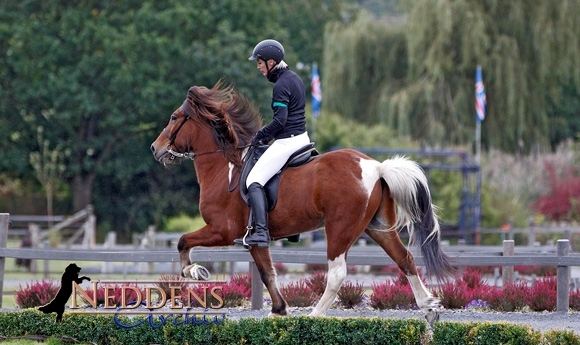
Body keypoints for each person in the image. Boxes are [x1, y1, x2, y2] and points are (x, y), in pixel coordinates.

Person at [234, 39, 310, 248]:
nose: (258, 67)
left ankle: (260, 232)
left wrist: (260, 136)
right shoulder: (294, 78)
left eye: (259, 63)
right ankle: (292, 231)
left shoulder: (281, 85)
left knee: (254, 180)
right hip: (302, 138)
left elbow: (280, 121)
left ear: (271, 62)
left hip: (287, 142)